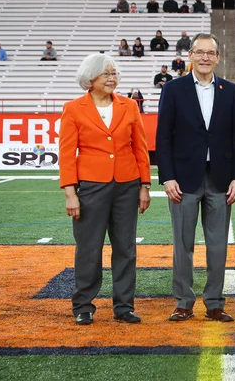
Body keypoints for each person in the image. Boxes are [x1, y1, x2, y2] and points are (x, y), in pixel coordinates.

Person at [156, 33, 235, 323]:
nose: (205, 57)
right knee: (182, 244)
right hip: (183, 180)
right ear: (190, 56)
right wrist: (167, 177)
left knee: (217, 245)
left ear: (218, 57)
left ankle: (214, 303)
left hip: (221, 179)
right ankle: (183, 302)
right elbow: (163, 137)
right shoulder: (173, 89)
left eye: (210, 53)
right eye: (200, 52)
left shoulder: (230, 90)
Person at [59, 53, 151, 325]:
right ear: (90, 78)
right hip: (91, 187)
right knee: (89, 248)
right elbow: (66, 154)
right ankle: (83, 306)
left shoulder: (130, 106)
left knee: (126, 248)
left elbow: (140, 148)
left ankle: (124, 306)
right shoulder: (73, 108)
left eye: (114, 73)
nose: (112, 79)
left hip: (127, 185)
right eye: (106, 74)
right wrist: (70, 193)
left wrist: (144, 185)